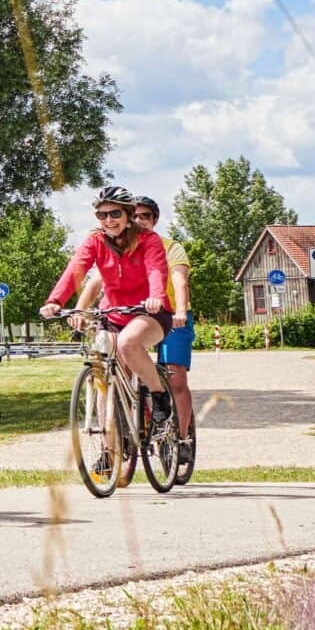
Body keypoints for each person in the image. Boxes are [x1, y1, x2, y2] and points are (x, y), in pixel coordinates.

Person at [41, 188, 172, 433]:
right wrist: (56, 301)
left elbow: (156, 269)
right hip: (112, 315)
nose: (108, 220)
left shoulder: (147, 240)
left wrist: (156, 297)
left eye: (114, 213)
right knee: (102, 374)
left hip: (148, 312)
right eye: (102, 215)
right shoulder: (95, 241)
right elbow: (76, 269)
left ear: (129, 214)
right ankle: (108, 450)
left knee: (128, 343)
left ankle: (158, 393)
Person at [131, 195, 198, 470]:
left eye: (144, 216)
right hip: (137, 317)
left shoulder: (171, 248)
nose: (138, 221)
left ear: (154, 220)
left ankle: (182, 439)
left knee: (175, 377)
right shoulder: (123, 249)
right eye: (133, 216)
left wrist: (180, 310)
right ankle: (122, 436)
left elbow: (178, 280)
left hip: (172, 317)